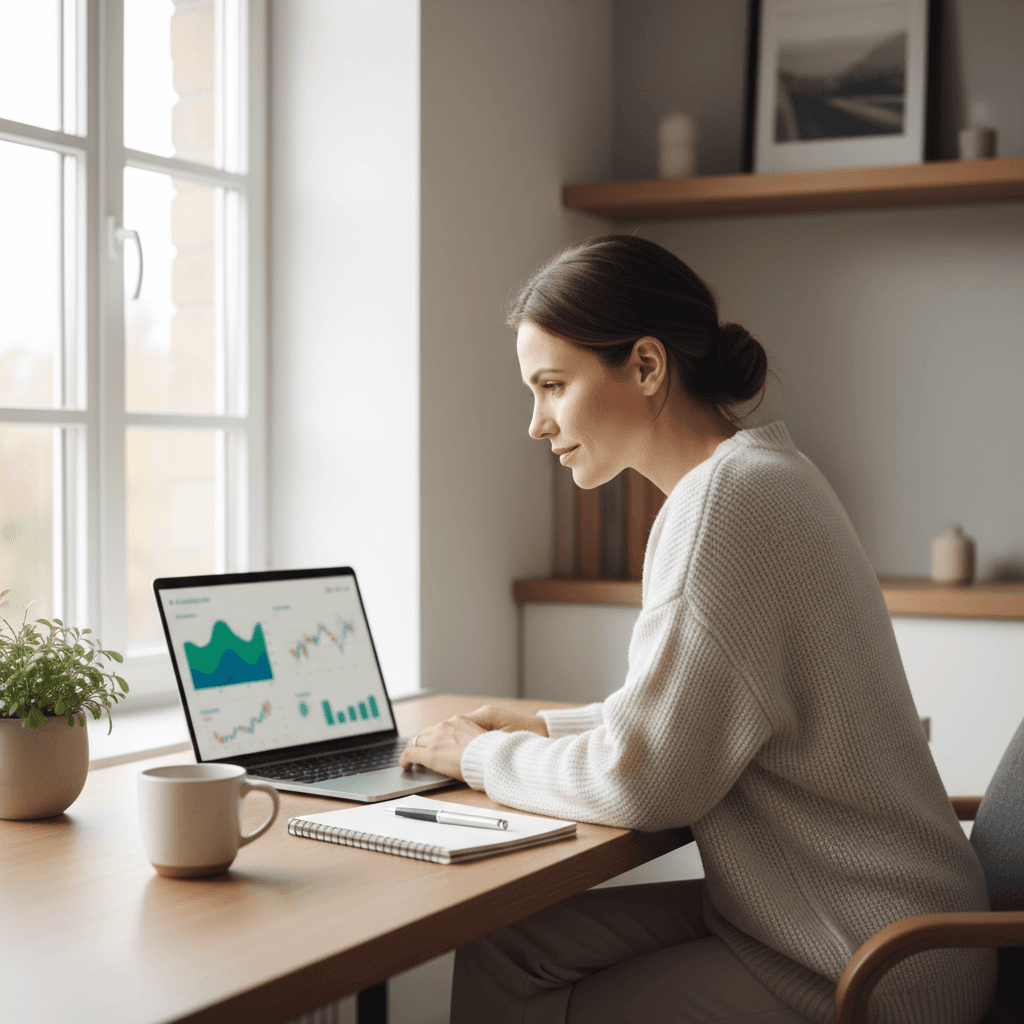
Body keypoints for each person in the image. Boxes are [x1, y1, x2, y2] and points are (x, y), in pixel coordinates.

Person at [399, 235, 996, 1024]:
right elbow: (712, 717)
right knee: (506, 945)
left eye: (552, 385)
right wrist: (546, 724)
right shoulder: (763, 472)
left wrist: (478, 755)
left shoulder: (721, 508)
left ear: (646, 367)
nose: (537, 425)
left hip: (869, 959)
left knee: (526, 982)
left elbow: (642, 782)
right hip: (871, 921)